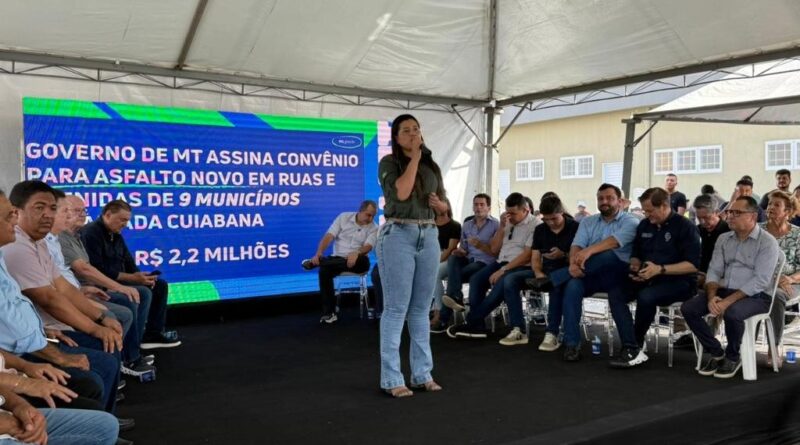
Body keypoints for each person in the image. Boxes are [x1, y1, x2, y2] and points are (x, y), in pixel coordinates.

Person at [1, 181, 123, 415]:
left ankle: (105, 417)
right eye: (39, 208)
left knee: (109, 339)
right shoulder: (16, 248)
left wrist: (99, 318)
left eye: (53, 208)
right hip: (23, 352)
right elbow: (49, 299)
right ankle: (102, 421)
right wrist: (95, 327)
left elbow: (63, 288)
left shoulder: (37, 243)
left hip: (41, 337)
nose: (49, 215)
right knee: (97, 370)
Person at [377, 114, 447, 398]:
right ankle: (392, 378)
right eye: (406, 131)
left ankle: (422, 374)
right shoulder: (389, 163)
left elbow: (445, 209)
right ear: (396, 137)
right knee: (396, 309)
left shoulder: (432, 166)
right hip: (398, 234)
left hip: (428, 234)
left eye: (416, 129)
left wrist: (440, 205)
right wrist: (416, 158)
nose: (413, 134)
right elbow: (403, 193)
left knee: (420, 309)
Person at [681, 196, 780, 379]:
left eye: (736, 213)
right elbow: (714, 270)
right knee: (689, 308)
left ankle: (733, 357)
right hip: (724, 290)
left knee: (732, 313)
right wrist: (712, 297)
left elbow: (761, 281)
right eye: (729, 212)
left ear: (752, 216)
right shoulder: (724, 239)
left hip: (757, 296)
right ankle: (717, 353)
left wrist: (726, 302)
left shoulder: (767, 242)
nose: (730, 216)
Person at [59, 195, 154, 375]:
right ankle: (120, 361)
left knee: (145, 291)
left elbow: (126, 260)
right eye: (75, 211)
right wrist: (120, 286)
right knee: (125, 306)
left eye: (84, 210)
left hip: (88, 289)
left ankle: (132, 351)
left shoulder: (77, 236)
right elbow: (85, 270)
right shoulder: (78, 235)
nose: (82, 215)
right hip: (80, 293)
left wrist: (137, 276)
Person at [608, 187, 700, 368]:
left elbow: (692, 265)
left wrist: (660, 269)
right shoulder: (644, 225)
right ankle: (631, 345)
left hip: (680, 282)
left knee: (646, 296)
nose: (647, 215)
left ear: (664, 206)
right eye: (644, 211)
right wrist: (636, 266)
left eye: (650, 211)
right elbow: (636, 254)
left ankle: (635, 343)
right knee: (616, 292)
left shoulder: (685, 227)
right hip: (648, 277)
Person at [549, 183, 639, 362]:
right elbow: (577, 245)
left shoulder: (631, 221)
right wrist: (573, 265)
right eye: (600, 198)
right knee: (573, 286)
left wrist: (588, 252)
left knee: (608, 255)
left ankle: (554, 278)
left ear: (620, 201)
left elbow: (614, 242)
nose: (604, 202)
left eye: (609, 198)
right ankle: (572, 344)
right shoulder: (588, 221)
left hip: (619, 274)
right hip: (591, 273)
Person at [81, 199, 181, 350]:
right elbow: (97, 269)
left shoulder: (116, 234)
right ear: (108, 215)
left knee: (159, 285)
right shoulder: (91, 233)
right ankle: (133, 347)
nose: (125, 224)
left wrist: (141, 277)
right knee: (143, 293)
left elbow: (128, 261)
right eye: (122, 220)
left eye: (127, 220)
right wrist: (131, 279)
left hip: (119, 280)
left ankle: (152, 335)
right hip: (102, 284)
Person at [445, 192, 538, 345]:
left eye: (514, 214)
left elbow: (527, 255)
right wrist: (501, 227)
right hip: (501, 261)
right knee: (476, 279)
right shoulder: (506, 222)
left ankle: (472, 321)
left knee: (501, 284)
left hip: (520, 264)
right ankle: (478, 326)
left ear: (525, 210)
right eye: (508, 213)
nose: (510, 217)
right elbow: (494, 249)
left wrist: (503, 270)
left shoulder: (535, 224)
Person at [301, 201, 378, 324]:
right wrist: (319, 252)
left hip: (358, 261)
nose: (371, 219)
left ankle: (320, 262)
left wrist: (357, 252)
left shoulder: (374, 227)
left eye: (373, 216)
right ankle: (329, 313)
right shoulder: (343, 217)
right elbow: (329, 236)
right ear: (360, 211)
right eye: (368, 215)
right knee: (324, 271)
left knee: (362, 260)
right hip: (338, 260)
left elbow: (368, 246)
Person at [431, 193, 498, 333]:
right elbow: (464, 249)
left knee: (454, 276)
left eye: (482, 205)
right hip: (469, 259)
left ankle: (445, 314)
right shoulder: (467, 225)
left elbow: (496, 252)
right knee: (453, 258)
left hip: (485, 262)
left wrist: (480, 245)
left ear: (489, 207)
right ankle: (455, 297)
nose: (478, 208)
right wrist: (460, 251)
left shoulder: (495, 225)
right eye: (476, 204)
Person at [526, 196, 579, 352]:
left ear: (561, 212)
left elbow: (580, 256)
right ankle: (553, 332)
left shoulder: (575, 227)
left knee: (557, 286)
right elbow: (535, 257)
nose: (550, 223)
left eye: (554, 218)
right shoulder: (540, 230)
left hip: (571, 268)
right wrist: (538, 273)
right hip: (548, 269)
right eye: (546, 219)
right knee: (555, 284)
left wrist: (564, 255)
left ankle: (552, 332)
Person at [760, 191, 800, 367]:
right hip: (760, 281)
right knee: (751, 293)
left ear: (788, 211)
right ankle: (742, 346)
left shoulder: (797, 234)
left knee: (775, 296)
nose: (770, 207)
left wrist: (790, 278)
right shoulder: (757, 231)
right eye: (770, 204)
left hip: (790, 283)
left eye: (777, 205)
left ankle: (773, 348)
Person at [429, 199, 460, 328]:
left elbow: (451, 248)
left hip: (447, 259)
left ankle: (439, 311)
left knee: (434, 273)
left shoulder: (455, 225)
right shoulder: (429, 225)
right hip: (430, 256)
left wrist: (434, 261)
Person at [694, 194, 730, 286]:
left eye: (706, 217)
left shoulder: (729, 232)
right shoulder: (695, 231)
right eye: (699, 218)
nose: (702, 222)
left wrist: (708, 277)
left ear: (716, 212)